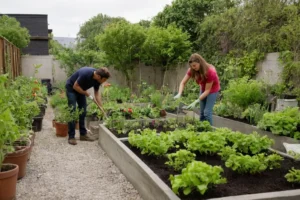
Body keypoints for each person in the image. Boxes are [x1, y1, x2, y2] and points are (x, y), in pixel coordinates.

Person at [65, 67, 110, 145]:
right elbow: (75, 86)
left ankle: (83, 134)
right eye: (104, 80)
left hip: (81, 89)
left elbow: (96, 93)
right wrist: (86, 93)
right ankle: (71, 136)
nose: (104, 82)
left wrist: (101, 107)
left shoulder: (98, 80)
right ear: (99, 77)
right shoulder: (85, 73)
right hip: (71, 88)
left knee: (83, 110)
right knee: (72, 110)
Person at [174, 53, 220, 125]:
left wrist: (196, 101)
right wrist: (179, 93)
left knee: (207, 113)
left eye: (194, 65)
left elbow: (208, 90)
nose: (193, 67)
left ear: (199, 62)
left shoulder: (210, 72)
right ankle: (201, 132)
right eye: (191, 66)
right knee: (202, 113)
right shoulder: (192, 70)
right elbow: (183, 82)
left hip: (212, 90)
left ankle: (211, 132)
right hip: (203, 88)